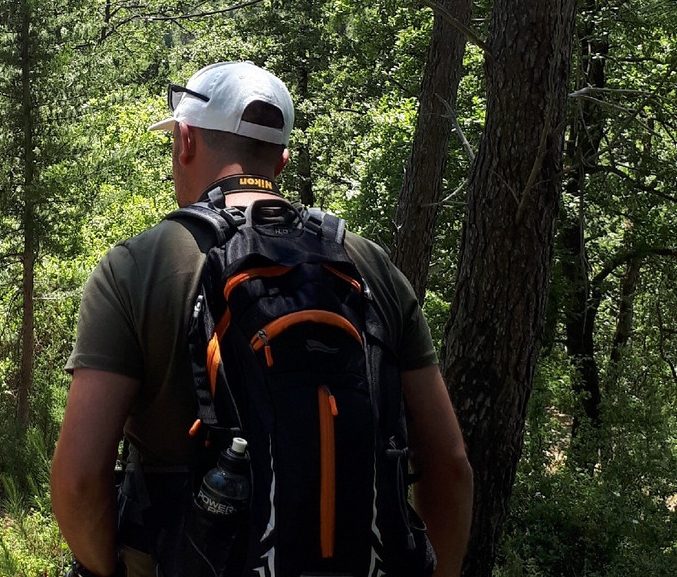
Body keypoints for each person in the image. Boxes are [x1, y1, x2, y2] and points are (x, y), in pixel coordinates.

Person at [51, 61, 473, 577]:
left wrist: (106, 570)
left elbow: (77, 481)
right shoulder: (370, 267)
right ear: (282, 161)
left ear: (185, 141)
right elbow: (450, 468)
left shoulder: (137, 267)